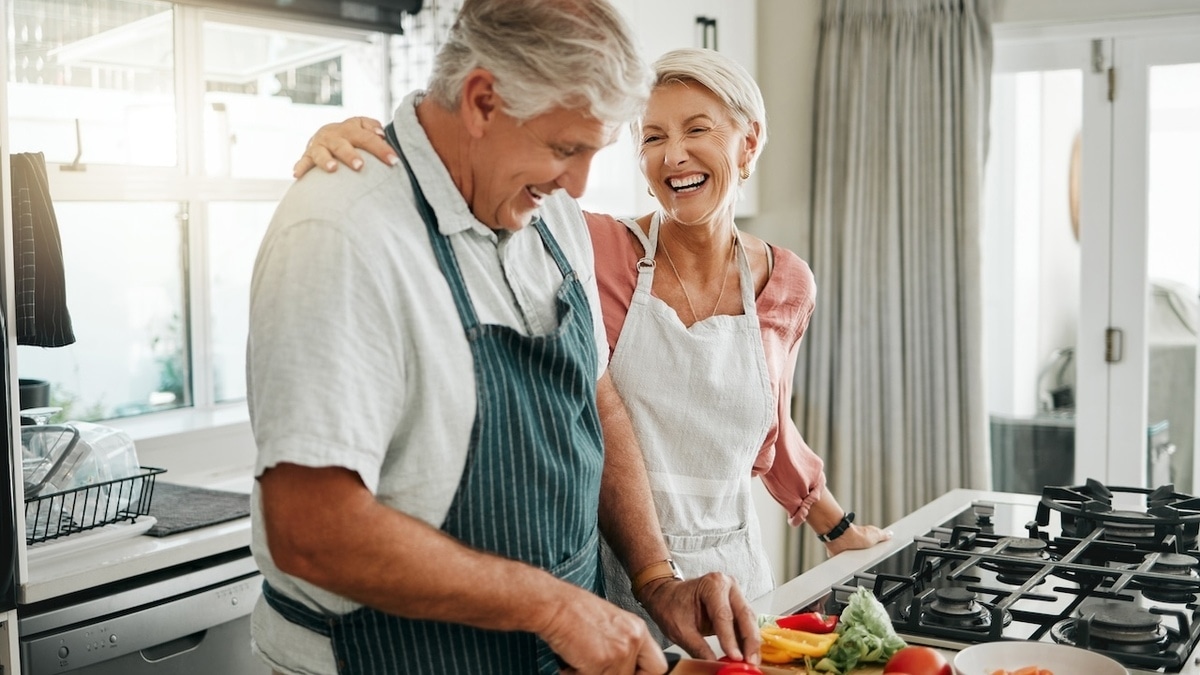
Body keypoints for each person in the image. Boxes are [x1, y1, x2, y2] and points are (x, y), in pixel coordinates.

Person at [293, 47, 892, 648]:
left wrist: (836, 527)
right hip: (609, 582)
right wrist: (369, 147)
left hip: (736, 583)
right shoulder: (594, 244)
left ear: (749, 141)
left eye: (697, 129)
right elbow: (472, 183)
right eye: (652, 136)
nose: (673, 154)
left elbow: (769, 425)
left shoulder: (786, 281)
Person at [247, 2, 761, 673]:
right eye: (563, 148)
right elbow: (311, 530)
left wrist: (655, 578)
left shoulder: (550, 216)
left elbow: (594, 396)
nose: (576, 184)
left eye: (592, 151)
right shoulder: (342, 232)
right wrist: (550, 606)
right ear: (483, 101)